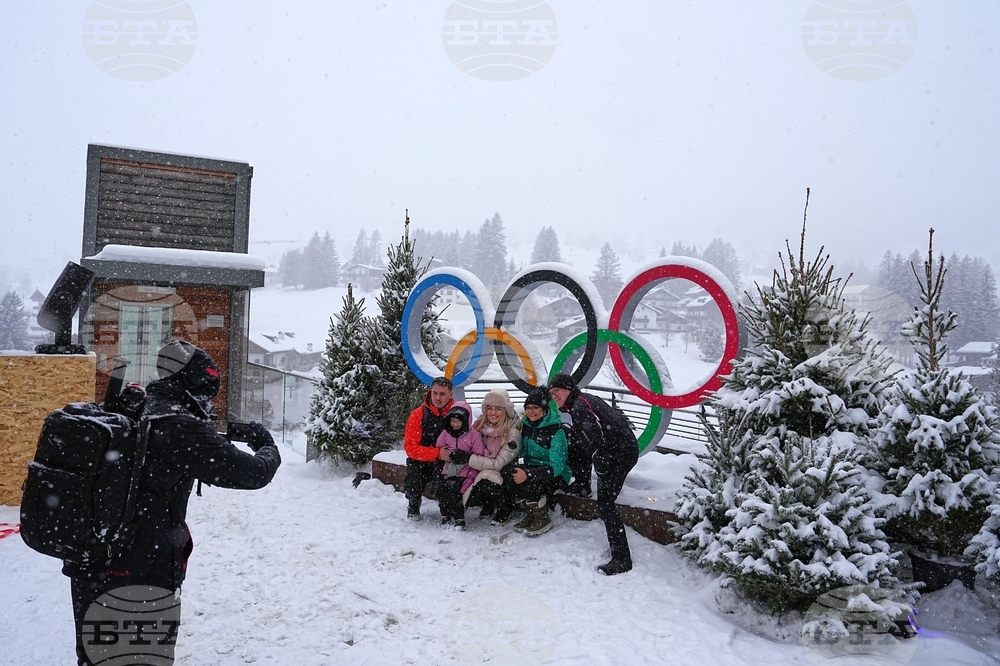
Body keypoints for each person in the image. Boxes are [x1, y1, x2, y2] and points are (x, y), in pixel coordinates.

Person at [63, 341, 281, 665]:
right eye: (206, 394)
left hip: (92, 565)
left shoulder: (135, 409)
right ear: (192, 387)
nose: (208, 404)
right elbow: (253, 473)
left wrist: (232, 429)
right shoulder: (176, 428)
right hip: (138, 577)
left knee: (97, 659)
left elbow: (198, 435)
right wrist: (266, 444)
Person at [548, 372, 639, 575]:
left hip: (621, 453)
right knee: (575, 446)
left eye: (557, 391)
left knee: (605, 502)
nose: (554, 396)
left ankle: (622, 558)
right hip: (623, 447)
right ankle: (582, 485)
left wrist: (602, 468)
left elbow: (596, 441)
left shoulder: (580, 408)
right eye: (552, 393)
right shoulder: (583, 400)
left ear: (568, 389)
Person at [510, 386, 571, 537]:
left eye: (535, 407)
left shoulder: (556, 430)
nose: (530, 411)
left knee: (529, 482)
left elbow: (557, 466)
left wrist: (528, 474)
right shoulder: (526, 425)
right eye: (527, 408)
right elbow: (522, 452)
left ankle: (542, 517)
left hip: (555, 474)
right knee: (508, 474)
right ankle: (531, 513)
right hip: (532, 467)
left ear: (544, 409)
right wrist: (521, 468)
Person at [402, 376, 455, 520]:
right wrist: (436, 453)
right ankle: (413, 503)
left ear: (451, 395)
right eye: (435, 393)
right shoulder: (418, 414)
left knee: (450, 481)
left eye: (442, 394)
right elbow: (411, 448)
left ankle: (451, 507)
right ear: (430, 392)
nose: (438, 398)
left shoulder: (458, 414)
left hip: (448, 460)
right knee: (414, 478)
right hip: (422, 460)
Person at [466, 389, 521, 525]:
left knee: (488, 479)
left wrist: (469, 459)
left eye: (498, 409)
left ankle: (505, 506)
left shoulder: (512, 433)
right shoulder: (479, 427)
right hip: (481, 469)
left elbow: (498, 464)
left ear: (505, 411)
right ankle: (488, 503)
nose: (492, 413)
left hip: (502, 474)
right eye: (489, 408)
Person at [434, 402, 484, 530]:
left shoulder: (473, 435)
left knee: (455, 493)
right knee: (442, 491)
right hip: (447, 469)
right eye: (453, 420)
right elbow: (439, 446)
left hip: (464, 471)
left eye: (459, 421)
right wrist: (443, 454)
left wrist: (470, 470)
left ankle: (459, 518)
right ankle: (445, 515)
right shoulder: (446, 433)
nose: (455, 424)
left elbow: (478, 454)